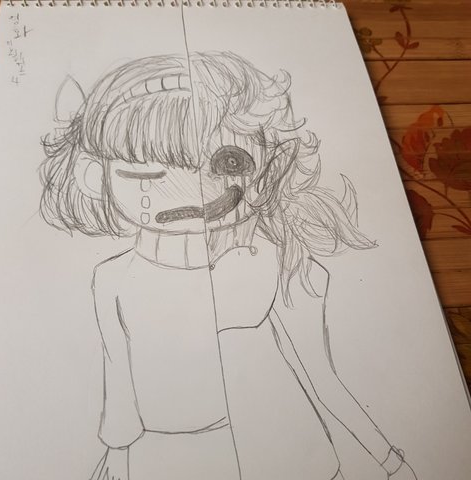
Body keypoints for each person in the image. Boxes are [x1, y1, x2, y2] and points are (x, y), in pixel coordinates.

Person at [40, 51, 416, 480]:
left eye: (227, 163)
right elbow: (120, 395)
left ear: (270, 166)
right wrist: (116, 462)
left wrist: (390, 463)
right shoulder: (112, 279)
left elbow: (321, 377)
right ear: (94, 177)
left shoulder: (279, 263)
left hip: (278, 457)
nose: (193, 190)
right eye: (147, 174)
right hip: (160, 460)